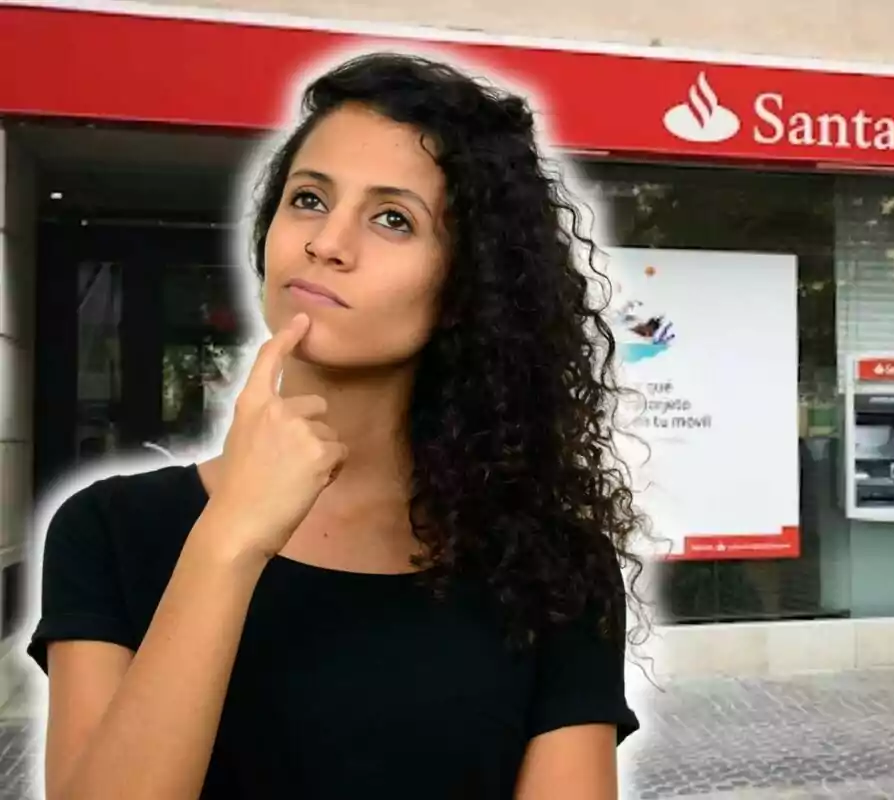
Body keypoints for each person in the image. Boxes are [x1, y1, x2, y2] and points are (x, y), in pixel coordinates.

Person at [27, 51, 648, 800]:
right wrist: (230, 539)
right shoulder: (108, 531)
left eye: (393, 219)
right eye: (309, 199)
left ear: (466, 287)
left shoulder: (550, 571)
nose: (326, 243)